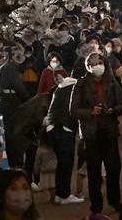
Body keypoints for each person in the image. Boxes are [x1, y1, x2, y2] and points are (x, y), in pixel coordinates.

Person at [70, 50, 122, 214]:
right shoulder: (80, 84)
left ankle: (115, 200)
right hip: (91, 134)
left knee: (114, 169)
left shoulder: (111, 81)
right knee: (94, 172)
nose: (97, 67)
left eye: (99, 63)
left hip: (109, 131)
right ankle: (96, 205)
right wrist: (91, 112)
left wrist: (112, 110)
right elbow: (73, 110)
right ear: (87, 67)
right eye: (93, 64)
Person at [43, 75, 82, 205]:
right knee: (66, 163)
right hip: (64, 127)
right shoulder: (75, 88)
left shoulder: (60, 87)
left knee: (61, 163)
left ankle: (60, 195)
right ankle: (65, 195)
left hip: (51, 127)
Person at [0, 49, 31, 167]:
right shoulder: (10, 68)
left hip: (4, 102)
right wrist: (29, 100)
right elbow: (18, 87)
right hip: (12, 103)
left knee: (9, 135)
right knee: (15, 135)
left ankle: (13, 163)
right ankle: (17, 164)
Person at [33, 127, 57, 203]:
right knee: (55, 184)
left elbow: (37, 162)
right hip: (56, 168)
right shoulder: (55, 146)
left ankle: (53, 198)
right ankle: (56, 196)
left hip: (46, 170)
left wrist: (36, 171)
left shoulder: (40, 149)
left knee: (50, 186)